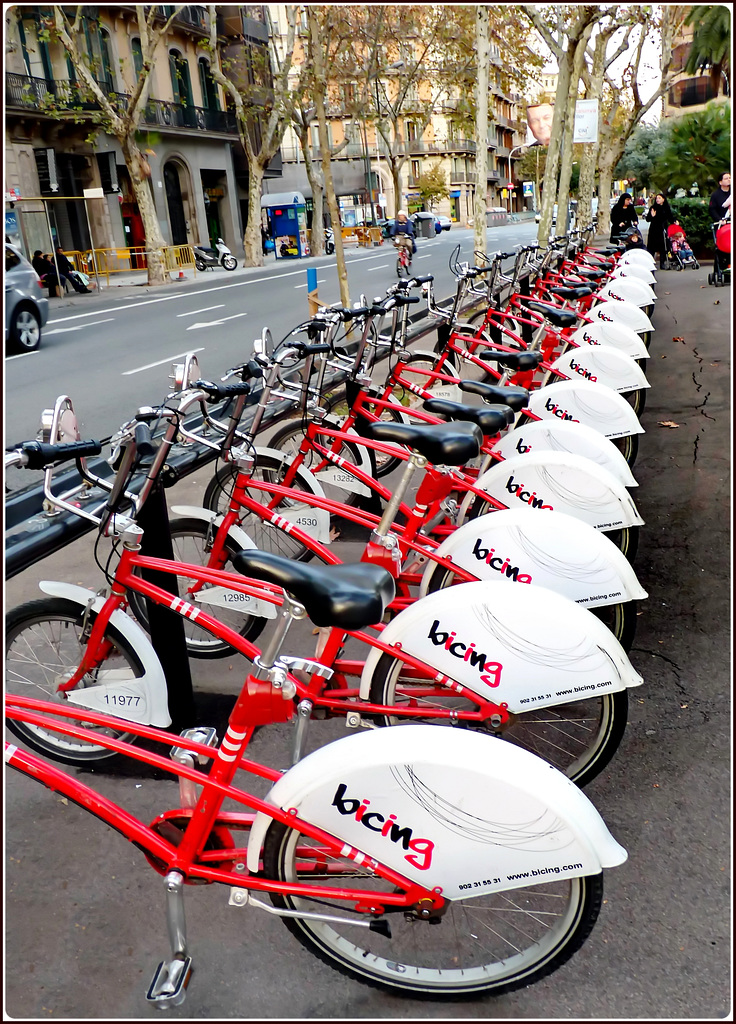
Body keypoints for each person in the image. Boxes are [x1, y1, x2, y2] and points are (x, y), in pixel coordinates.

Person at [645, 193, 674, 269]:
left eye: (659, 198)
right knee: (651, 247)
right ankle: (649, 263)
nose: (657, 199)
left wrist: (674, 221)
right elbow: (648, 219)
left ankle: (662, 263)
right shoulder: (653, 208)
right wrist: (652, 216)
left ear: (663, 199)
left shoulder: (666, 208)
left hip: (663, 229)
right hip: (654, 229)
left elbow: (670, 216)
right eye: (657, 198)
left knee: (663, 246)